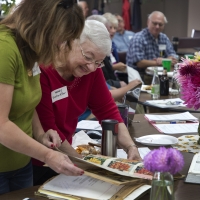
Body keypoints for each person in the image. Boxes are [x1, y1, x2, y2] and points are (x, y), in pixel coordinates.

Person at [33, 20, 141, 185]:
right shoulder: (44, 69)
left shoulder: (92, 71)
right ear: (70, 42)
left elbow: (108, 111)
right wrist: (84, 164)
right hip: (40, 159)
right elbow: (49, 128)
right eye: (88, 57)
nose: (91, 67)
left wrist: (130, 147)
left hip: (69, 156)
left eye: (99, 62)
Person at [0, 0, 85, 195]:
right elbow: (1, 125)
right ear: (43, 26)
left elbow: (27, 105)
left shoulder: (29, 50)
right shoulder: (4, 48)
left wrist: (40, 134)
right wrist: (47, 155)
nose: (60, 45)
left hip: (21, 164)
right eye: (60, 38)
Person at [126, 11, 178, 81]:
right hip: (140, 76)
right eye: (155, 23)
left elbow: (173, 54)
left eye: (160, 24)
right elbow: (139, 63)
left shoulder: (164, 37)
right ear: (148, 22)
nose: (157, 26)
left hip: (160, 75)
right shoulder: (138, 38)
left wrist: (168, 59)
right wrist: (162, 62)